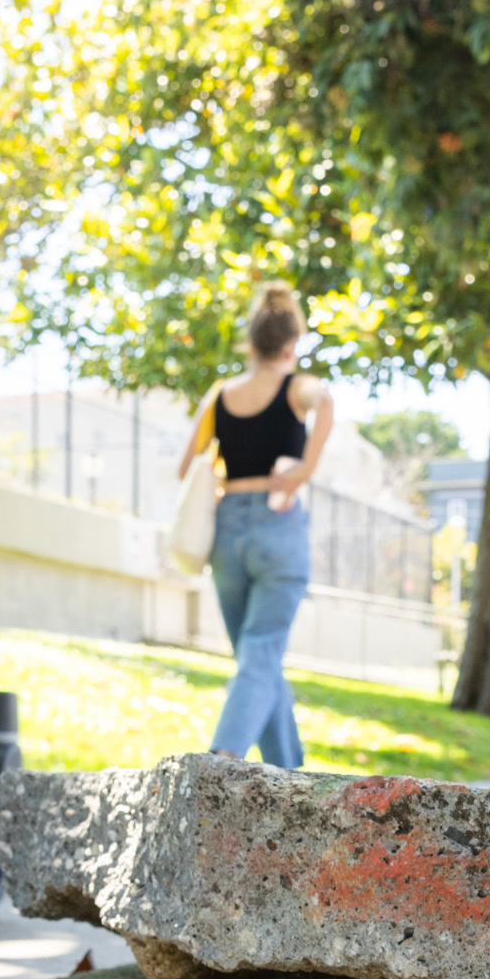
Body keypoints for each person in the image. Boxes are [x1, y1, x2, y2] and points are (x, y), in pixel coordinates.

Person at [178, 283, 334, 768]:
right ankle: (223, 758)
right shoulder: (295, 387)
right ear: (290, 345)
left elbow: (187, 466)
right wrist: (303, 470)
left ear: (252, 342)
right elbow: (324, 399)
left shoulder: (221, 395)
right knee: (261, 654)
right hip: (278, 524)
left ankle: (290, 773)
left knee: (257, 658)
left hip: (227, 534)